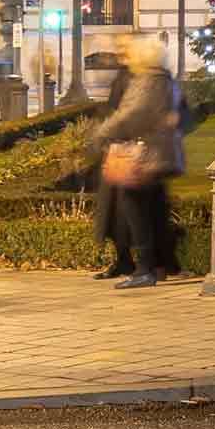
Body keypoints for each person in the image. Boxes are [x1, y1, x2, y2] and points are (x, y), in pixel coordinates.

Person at [86, 34, 184, 287]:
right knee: (151, 210)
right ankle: (157, 265)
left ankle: (144, 270)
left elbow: (131, 114)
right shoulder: (165, 80)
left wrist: (101, 134)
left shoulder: (148, 81)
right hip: (159, 155)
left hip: (143, 156)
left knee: (134, 210)